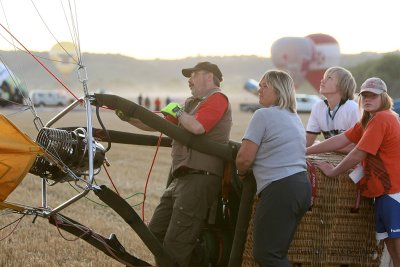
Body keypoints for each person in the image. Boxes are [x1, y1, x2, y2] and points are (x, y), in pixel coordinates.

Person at [116, 61, 232, 267]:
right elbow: (155, 124)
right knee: (155, 234)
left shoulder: (218, 98)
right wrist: (127, 116)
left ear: (209, 76)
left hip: (200, 177)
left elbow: (197, 127)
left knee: (175, 245)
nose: (189, 80)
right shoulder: (189, 104)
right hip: (181, 179)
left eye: (193, 75)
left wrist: (178, 112)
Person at [306, 77, 400, 266]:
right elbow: (341, 139)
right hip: (383, 193)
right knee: (392, 249)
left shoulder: (382, 118)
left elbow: (358, 153)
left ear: (384, 97)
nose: (367, 99)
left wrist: (333, 172)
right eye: (364, 95)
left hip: (393, 192)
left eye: (373, 95)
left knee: (397, 248)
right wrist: (305, 151)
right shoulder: (370, 120)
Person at [236, 70, 311, 267]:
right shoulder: (294, 118)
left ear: (278, 90)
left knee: (267, 255)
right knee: (277, 254)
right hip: (301, 187)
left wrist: (241, 173)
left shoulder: (263, 115)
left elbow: (244, 158)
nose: (259, 90)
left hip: (280, 189)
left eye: (264, 86)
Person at [306, 66, 359, 153]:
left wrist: (323, 146)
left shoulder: (353, 109)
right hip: (331, 156)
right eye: (323, 77)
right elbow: (308, 142)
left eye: (329, 78)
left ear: (342, 84)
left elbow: (359, 148)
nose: (322, 81)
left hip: (352, 161)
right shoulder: (318, 107)